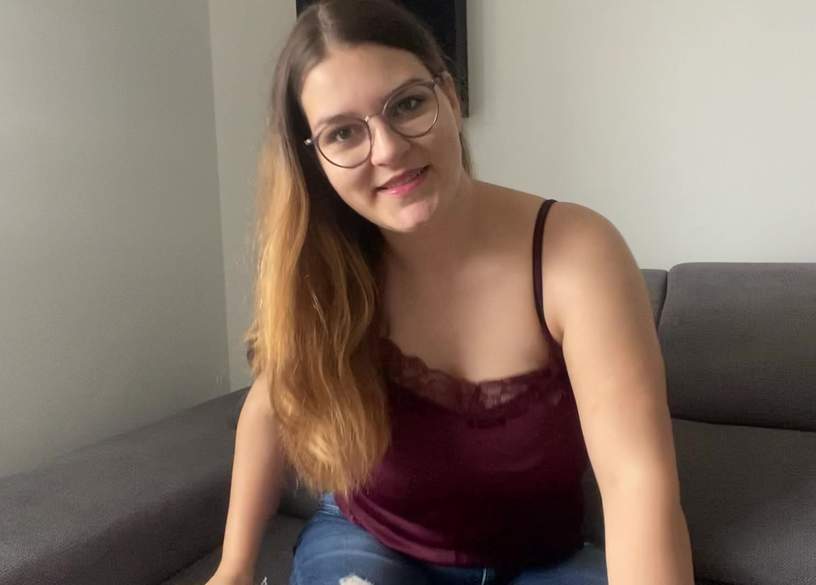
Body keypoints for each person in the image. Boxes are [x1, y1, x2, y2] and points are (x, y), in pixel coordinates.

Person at [206, 1, 694, 584]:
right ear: (317, 162)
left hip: (541, 561)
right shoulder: (324, 273)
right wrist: (233, 569)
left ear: (450, 99)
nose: (388, 150)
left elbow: (636, 482)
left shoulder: (575, 255)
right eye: (343, 133)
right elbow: (270, 406)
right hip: (370, 543)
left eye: (407, 104)